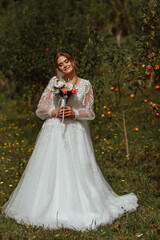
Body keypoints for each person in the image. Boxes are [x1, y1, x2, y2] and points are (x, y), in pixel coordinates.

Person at [1, 50, 138, 232]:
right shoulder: (55, 82)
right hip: (54, 130)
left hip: (76, 131)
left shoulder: (86, 85)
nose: (64, 65)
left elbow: (90, 112)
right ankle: (45, 206)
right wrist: (55, 112)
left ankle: (81, 205)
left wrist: (74, 112)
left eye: (66, 61)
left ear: (72, 61)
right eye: (60, 64)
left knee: (79, 168)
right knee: (51, 168)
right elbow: (41, 107)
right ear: (57, 67)